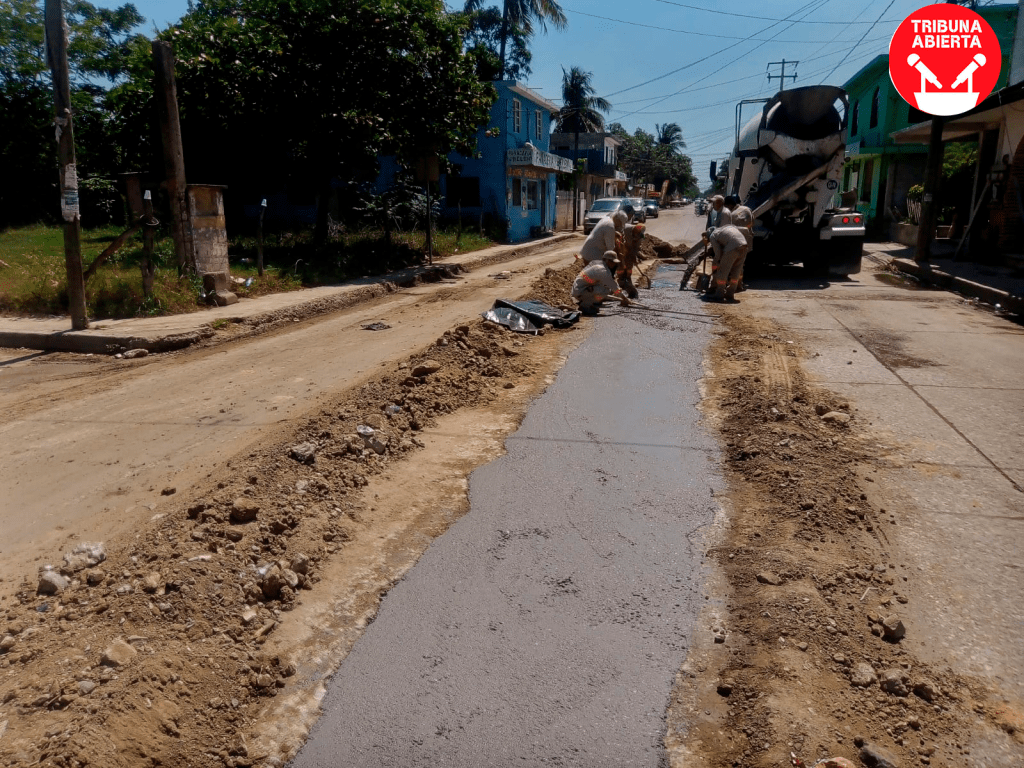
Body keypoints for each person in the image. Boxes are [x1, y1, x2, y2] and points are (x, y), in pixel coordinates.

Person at [702, 206, 753, 302]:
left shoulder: (713, 235)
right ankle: (730, 293)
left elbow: (718, 254)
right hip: (744, 246)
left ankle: (719, 293)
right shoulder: (727, 227)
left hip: (732, 248)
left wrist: (717, 264)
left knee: (723, 271)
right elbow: (745, 230)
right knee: (736, 272)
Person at [571, 250, 631, 315]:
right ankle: (586, 305)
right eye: (612, 262)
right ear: (607, 260)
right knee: (605, 290)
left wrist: (621, 296)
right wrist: (624, 298)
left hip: (580, 288)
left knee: (605, 289)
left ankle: (589, 301)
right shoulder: (603, 271)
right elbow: (614, 288)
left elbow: (611, 284)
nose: (614, 264)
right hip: (580, 291)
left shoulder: (599, 265)